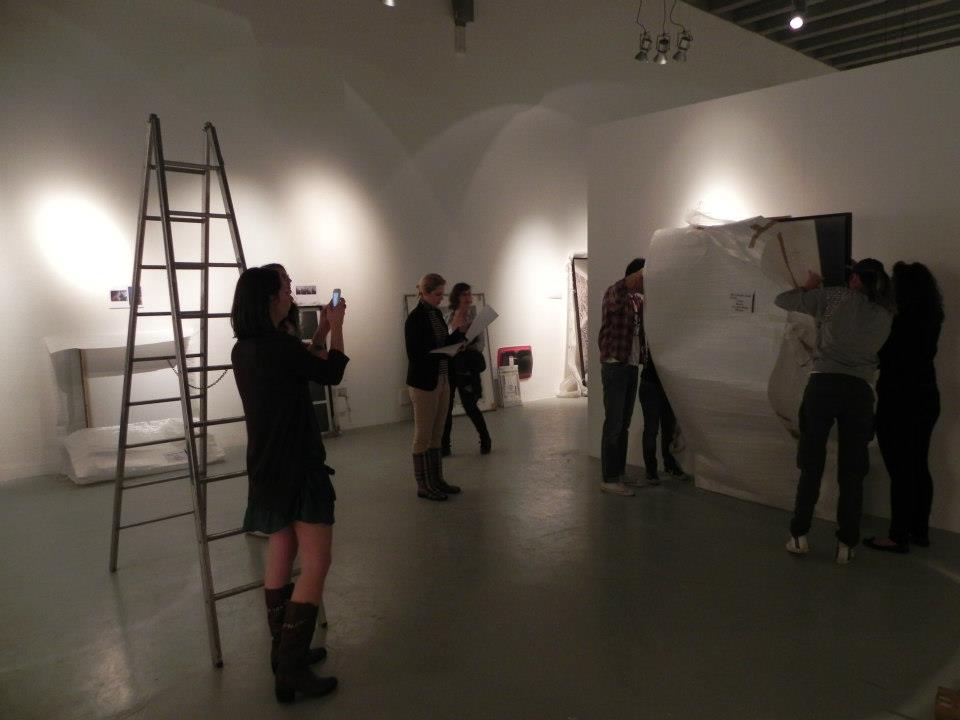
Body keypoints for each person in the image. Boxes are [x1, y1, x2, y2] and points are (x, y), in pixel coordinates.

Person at [231, 266, 348, 703]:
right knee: (317, 562)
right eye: (284, 288)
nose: (290, 294)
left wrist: (319, 332)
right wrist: (338, 327)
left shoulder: (246, 349)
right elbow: (331, 373)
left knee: (281, 552)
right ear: (268, 298)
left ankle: (282, 654)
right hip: (299, 466)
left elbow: (301, 362)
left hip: (266, 467)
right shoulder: (279, 347)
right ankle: (292, 669)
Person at [776, 259, 892, 564]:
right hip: (860, 392)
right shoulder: (886, 312)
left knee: (811, 464)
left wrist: (809, 287)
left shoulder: (834, 296)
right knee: (853, 471)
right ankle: (846, 544)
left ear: (854, 279)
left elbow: (782, 300)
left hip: (823, 385)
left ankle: (799, 535)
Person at [865, 262, 944, 553]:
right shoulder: (932, 317)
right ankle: (919, 531)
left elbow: (880, 354)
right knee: (918, 465)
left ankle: (897, 536)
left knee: (900, 469)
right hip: (926, 396)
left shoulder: (896, 322)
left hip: (898, 399)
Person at [405, 273, 469, 501]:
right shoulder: (415, 318)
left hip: (442, 379)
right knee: (423, 435)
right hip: (424, 383)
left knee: (437, 434)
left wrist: (459, 337)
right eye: (438, 294)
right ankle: (424, 485)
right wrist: (442, 351)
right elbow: (415, 354)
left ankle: (437, 480)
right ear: (425, 292)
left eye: (443, 294)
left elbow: (443, 343)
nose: (441, 298)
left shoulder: (437, 315)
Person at [597, 258, 647, 497]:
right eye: (643, 277)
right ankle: (609, 478)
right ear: (636, 275)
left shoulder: (638, 300)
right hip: (615, 366)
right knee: (614, 424)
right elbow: (618, 292)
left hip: (630, 366)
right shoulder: (614, 293)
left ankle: (619, 472)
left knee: (623, 425)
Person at [441, 282, 492, 456]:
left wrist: (466, 348)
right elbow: (445, 340)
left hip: (466, 368)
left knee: (470, 406)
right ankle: (445, 446)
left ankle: (485, 439)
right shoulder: (448, 317)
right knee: (446, 408)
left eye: (470, 294)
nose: (468, 298)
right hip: (450, 366)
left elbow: (480, 345)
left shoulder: (475, 319)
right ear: (457, 297)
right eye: (464, 294)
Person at [637, 352, 689, 485]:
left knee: (667, 427)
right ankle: (652, 470)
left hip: (666, 384)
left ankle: (667, 465)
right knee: (652, 429)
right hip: (651, 383)